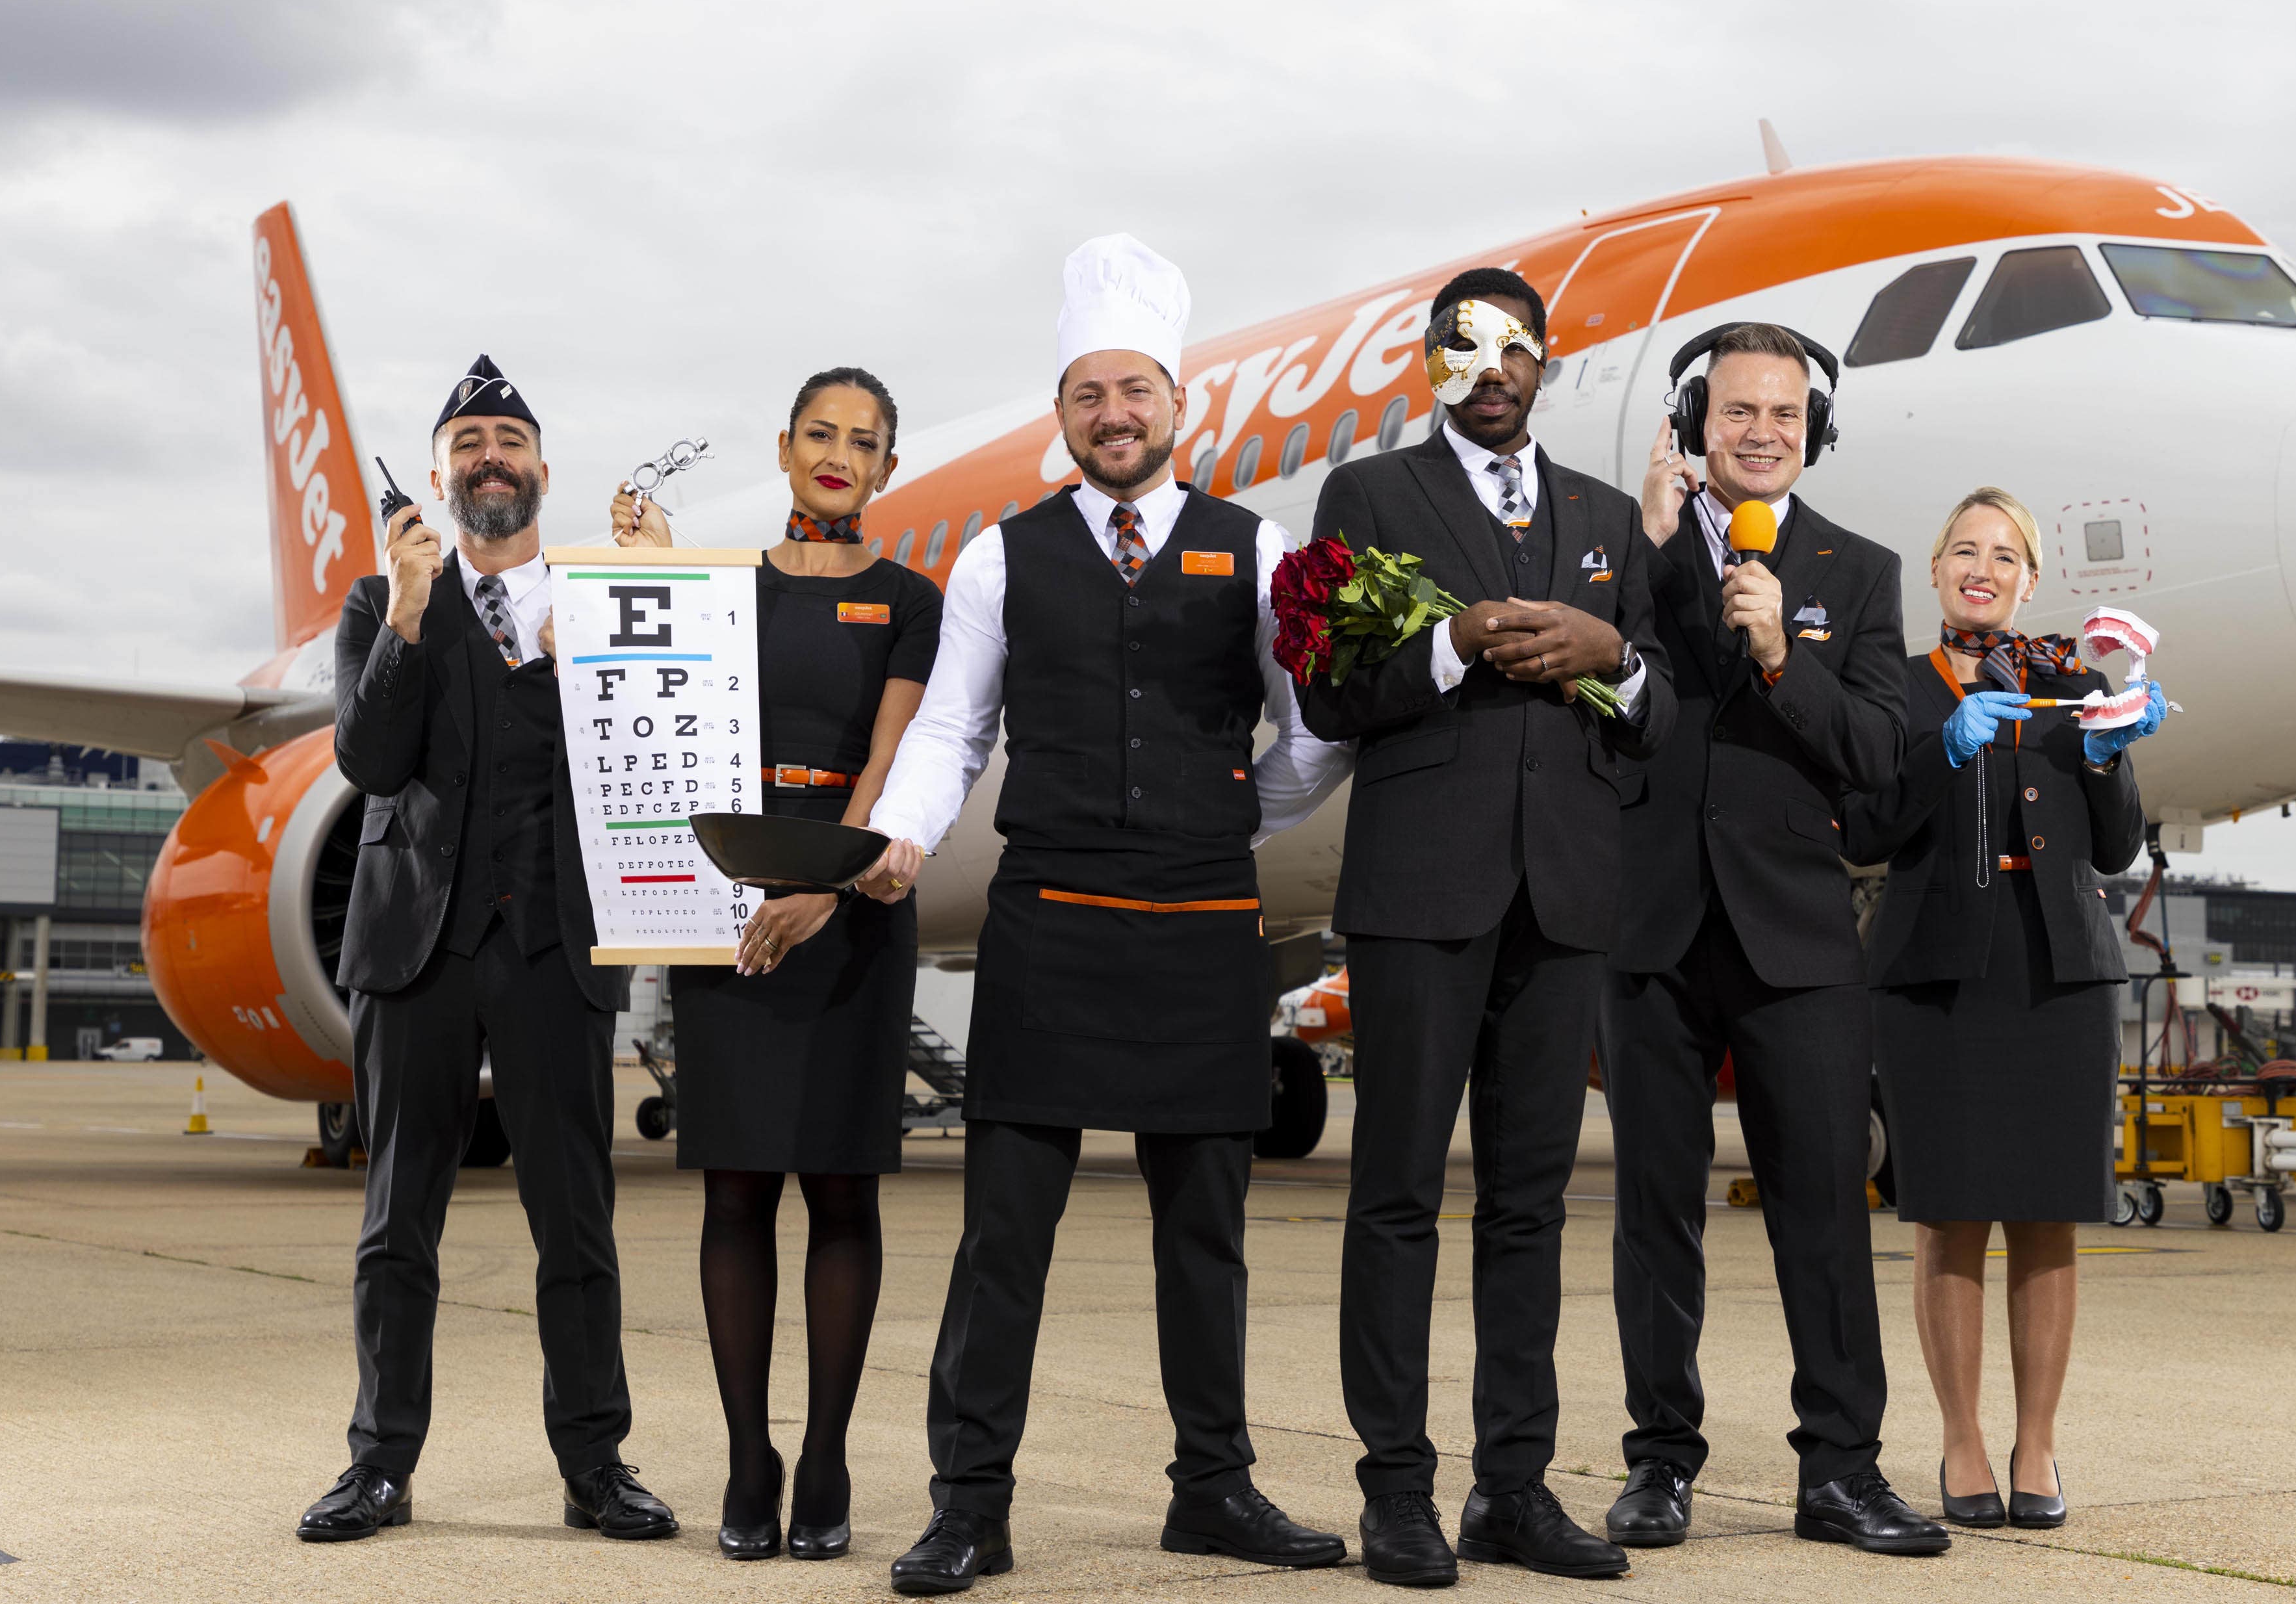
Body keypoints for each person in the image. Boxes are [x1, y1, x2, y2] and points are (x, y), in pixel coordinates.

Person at [860, 234, 1354, 1596]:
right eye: (1087, 393)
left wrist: (1222, 822)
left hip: (1200, 927)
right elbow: (952, 727)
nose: (1113, 415)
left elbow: (1309, 731)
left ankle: (1213, 1487)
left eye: (1134, 389)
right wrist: (898, 837)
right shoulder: (997, 559)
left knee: (1205, 1231)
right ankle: (969, 1503)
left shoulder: (1254, 549)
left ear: (1175, 405)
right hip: (1050, 924)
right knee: (1002, 1232)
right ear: (1062, 412)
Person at [1298, 268, 1673, 1586]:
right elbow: (1331, 696)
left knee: (1529, 1206)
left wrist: (1608, 655)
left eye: (1516, 349)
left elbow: (1661, 716)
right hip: (1419, 894)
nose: (1493, 370)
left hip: (1561, 895)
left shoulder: (1605, 519)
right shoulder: (1369, 499)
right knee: (1396, 1192)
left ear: (1545, 363)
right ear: (1432, 364)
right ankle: (1394, 1490)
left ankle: (1510, 1487)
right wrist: (1450, 646)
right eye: (1466, 349)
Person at [302, 356, 676, 1543]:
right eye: (469, 442)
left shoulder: (600, 598)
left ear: (543, 473)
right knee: (397, 1220)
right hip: (418, 949)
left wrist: (649, 597)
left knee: (577, 1223)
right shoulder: (382, 602)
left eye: (509, 439)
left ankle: (595, 1465)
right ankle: (379, 1467)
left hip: (557, 947)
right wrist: (410, 611)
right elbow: (369, 766)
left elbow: (670, 737)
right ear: (437, 477)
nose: (490, 457)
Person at [1600, 322, 1944, 1556]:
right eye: (1738, 411)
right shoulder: (1629, 544)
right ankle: (1659, 1461)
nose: (1762, 434)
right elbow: (1599, 690)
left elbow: (1872, 754)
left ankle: (1842, 1472)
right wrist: (1640, 552)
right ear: (1698, 421)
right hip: (1650, 920)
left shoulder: (1858, 573)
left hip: (1795, 932)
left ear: (1817, 432)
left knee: (1822, 1211)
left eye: (1786, 417)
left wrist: (1773, 655)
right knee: (1655, 1211)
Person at [608, 367, 940, 1561]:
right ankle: (750, 1458)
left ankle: (830, 1456)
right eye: (820, 435)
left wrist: (827, 885)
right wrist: (639, 564)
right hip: (727, 904)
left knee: (844, 1190)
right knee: (736, 1188)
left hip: (845, 908)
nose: (840, 455)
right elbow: (656, 699)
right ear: (788, 452)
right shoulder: (720, 591)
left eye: (865, 441)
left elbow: (892, 755)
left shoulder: (912, 597)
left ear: (887, 469)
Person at [1838, 487, 2165, 1533]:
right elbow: (1867, 825)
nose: (1984, 569)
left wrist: (2111, 756)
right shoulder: (1891, 687)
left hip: (2059, 972)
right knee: (1951, 1214)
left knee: (2048, 1217)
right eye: (1966, 551)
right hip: (1939, 972)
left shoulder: (2075, 688)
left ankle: (2037, 1443)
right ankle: (1963, 1443)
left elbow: (2113, 847)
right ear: (1937, 571)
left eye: (2007, 556)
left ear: (2030, 582)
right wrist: (1942, 748)